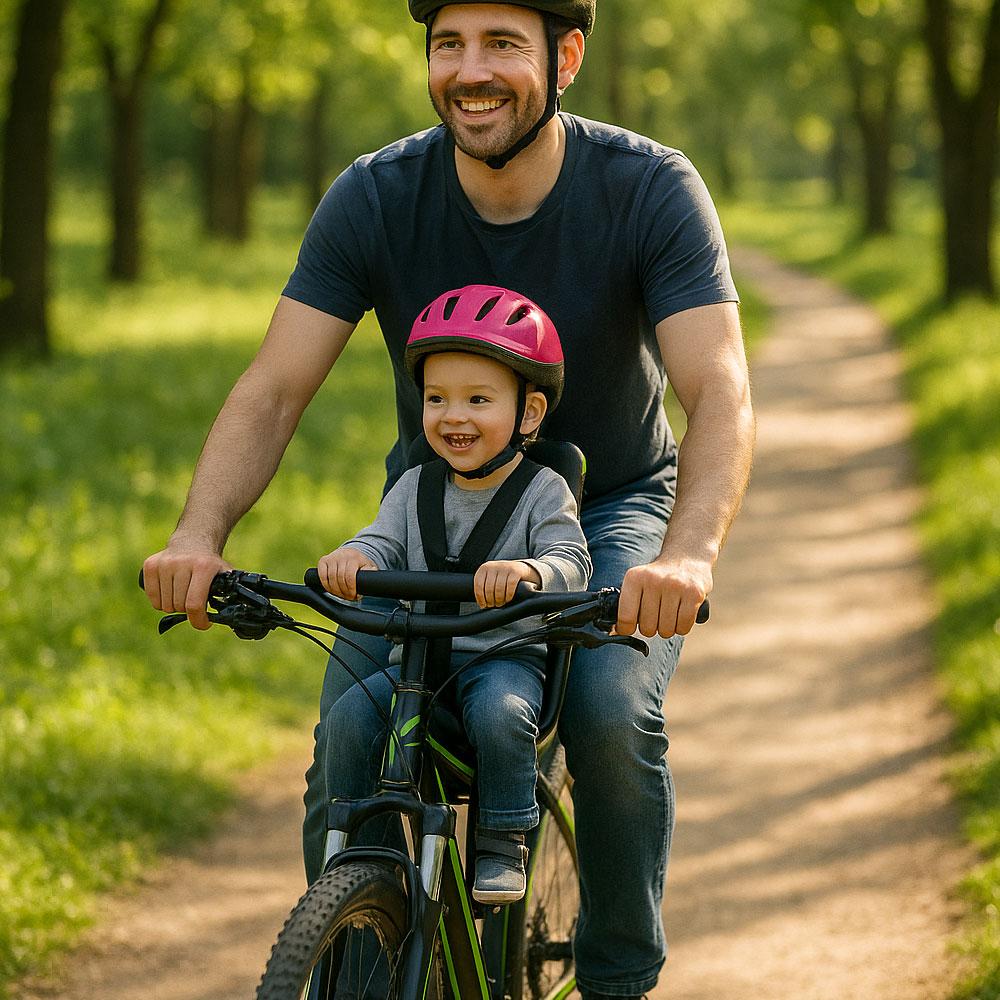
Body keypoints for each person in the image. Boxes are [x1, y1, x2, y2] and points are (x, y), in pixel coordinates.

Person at [142, 1, 755, 995]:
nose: (470, 71)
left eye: (502, 45)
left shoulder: (648, 188)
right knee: (351, 731)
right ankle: (357, 964)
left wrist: (682, 556)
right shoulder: (376, 195)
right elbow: (274, 386)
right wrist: (198, 534)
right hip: (433, 511)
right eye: (447, 44)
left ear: (566, 56)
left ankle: (615, 974)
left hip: (607, 505)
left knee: (604, 703)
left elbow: (718, 387)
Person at [317, 284, 591, 903]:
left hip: (500, 661)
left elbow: (571, 562)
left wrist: (528, 573)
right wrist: (354, 558)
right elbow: (380, 542)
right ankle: (365, 853)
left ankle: (501, 842)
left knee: (502, 715)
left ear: (529, 414)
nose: (453, 416)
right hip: (417, 664)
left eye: (477, 399)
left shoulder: (543, 490)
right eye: (436, 398)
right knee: (351, 716)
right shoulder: (414, 485)